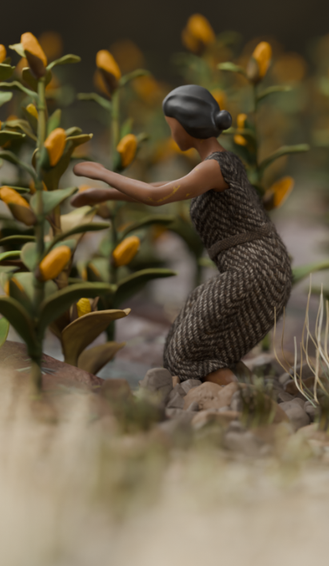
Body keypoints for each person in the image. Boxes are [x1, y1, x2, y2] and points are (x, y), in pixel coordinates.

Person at [71, 84, 293, 386]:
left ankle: (246, 406)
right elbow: (164, 187)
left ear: (185, 124)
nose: (171, 133)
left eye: (170, 126)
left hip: (255, 270)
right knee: (190, 333)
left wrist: (102, 172)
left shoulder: (216, 166)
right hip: (252, 268)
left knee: (188, 351)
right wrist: (104, 194)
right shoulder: (215, 165)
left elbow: (156, 195)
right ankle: (246, 396)